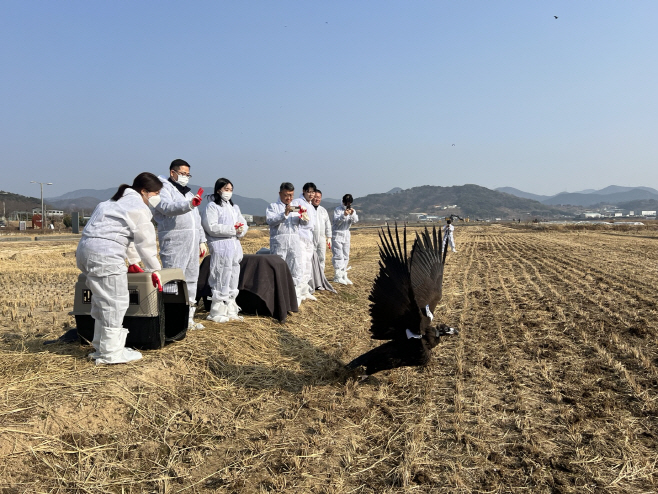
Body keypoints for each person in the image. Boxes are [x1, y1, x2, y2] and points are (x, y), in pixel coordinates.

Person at [76, 172, 163, 365]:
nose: (157, 197)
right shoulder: (139, 208)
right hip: (105, 255)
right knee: (116, 301)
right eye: (156, 193)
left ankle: (101, 346)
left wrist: (132, 261)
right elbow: (145, 243)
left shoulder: (109, 203)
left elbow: (125, 236)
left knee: (101, 300)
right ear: (144, 191)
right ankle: (111, 353)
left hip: (85, 252)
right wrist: (154, 269)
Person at [152, 159, 207, 330]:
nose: (185, 177)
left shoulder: (189, 194)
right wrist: (188, 205)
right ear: (172, 172)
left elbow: (196, 220)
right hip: (174, 241)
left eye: (187, 174)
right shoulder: (163, 189)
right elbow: (167, 208)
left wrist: (202, 240)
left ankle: (188, 319)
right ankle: (172, 320)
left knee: (191, 278)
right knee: (173, 279)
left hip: (191, 241)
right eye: (182, 174)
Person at [201, 178, 248, 323]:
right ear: (218, 190)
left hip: (234, 247)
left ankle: (231, 308)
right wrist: (232, 230)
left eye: (230, 190)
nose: (229, 193)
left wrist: (241, 230)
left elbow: (243, 224)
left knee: (233, 276)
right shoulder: (212, 207)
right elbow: (212, 227)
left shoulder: (235, 208)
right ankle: (217, 311)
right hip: (221, 246)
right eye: (226, 189)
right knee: (220, 275)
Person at [266, 182, 309, 305]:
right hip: (279, 242)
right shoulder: (273, 206)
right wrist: (284, 214)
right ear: (280, 194)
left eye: (291, 195)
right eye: (286, 195)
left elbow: (304, 224)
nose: (289, 198)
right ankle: (278, 298)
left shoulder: (296, 207)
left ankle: (294, 296)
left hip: (294, 241)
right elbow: (270, 220)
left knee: (296, 267)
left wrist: (304, 217)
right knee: (278, 269)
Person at [292, 182, 317, 301]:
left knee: (308, 264)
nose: (311, 194)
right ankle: (297, 292)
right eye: (309, 192)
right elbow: (290, 208)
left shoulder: (311, 205)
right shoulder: (298, 201)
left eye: (313, 192)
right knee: (300, 264)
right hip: (300, 235)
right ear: (304, 191)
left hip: (309, 236)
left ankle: (305, 290)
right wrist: (300, 211)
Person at [332, 194, 358, 285]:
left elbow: (355, 221)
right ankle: (337, 275)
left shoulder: (351, 210)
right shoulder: (338, 210)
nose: (347, 205)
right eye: (346, 203)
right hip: (337, 233)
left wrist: (352, 215)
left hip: (346, 233)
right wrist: (343, 215)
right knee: (338, 254)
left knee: (346, 254)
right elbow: (336, 222)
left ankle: (343, 274)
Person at [311, 189, 332, 273]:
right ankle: (312, 277)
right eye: (315, 197)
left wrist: (329, 237)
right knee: (311, 258)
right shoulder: (308, 209)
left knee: (321, 257)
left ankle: (321, 276)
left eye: (319, 197)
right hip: (311, 238)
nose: (317, 199)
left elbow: (328, 224)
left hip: (321, 238)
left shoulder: (323, 210)